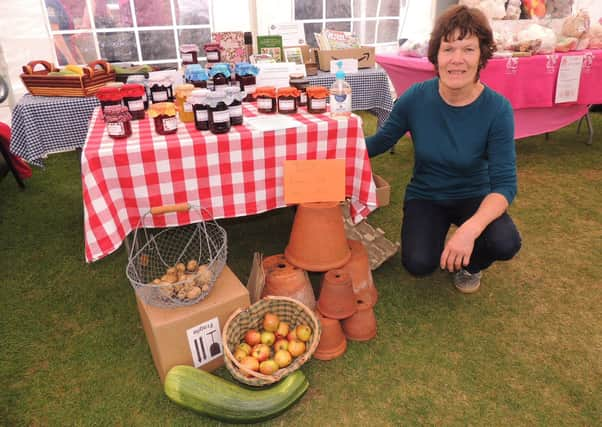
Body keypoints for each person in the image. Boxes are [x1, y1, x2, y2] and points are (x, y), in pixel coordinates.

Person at [365, 5, 521, 293]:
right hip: (427, 194)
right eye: (448, 49)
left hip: (475, 193)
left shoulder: (497, 109)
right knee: (418, 264)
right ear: (436, 55)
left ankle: (471, 266)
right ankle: (439, 239)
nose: (457, 60)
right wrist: (336, 149)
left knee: (505, 242)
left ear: (482, 55)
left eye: (468, 49)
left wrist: (470, 230)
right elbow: (380, 142)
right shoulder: (416, 98)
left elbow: (505, 186)